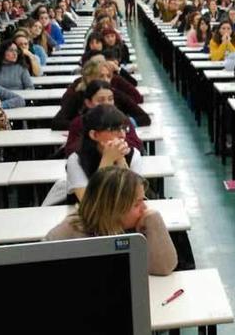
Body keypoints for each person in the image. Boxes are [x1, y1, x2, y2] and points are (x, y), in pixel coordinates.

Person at [46, 167, 177, 275]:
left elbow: (164, 268)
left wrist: (154, 218)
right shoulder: (68, 233)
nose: (145, 208)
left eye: (144, 200)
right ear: (112, 207)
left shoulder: (138, 224)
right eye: (137, 204)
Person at [65, 105, 145, 202]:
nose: (122, 135)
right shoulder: (76, 160)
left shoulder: (133, 154)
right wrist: (107, 160)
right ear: (94, 135)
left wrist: (120, 159)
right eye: (113, 129)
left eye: (123, 128)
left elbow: (135, 198)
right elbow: (89, 204)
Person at [52, 57, 150, 130]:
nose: (106, 80)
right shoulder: (77, 96)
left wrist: (118, 125)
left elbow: (144, 118)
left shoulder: (115, 94)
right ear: (88, 78)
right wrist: (90, 126)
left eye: (108, 76)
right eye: (101, 76)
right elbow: (57, 122)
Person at [63, 80, 143, 157]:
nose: (107, 103)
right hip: (88, 165)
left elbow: (136, 145)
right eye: (101, 100)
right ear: (88, 103)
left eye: (110, 99)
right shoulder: (79, 123)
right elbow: (70, 150)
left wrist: (114, 143)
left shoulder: (123, 120)